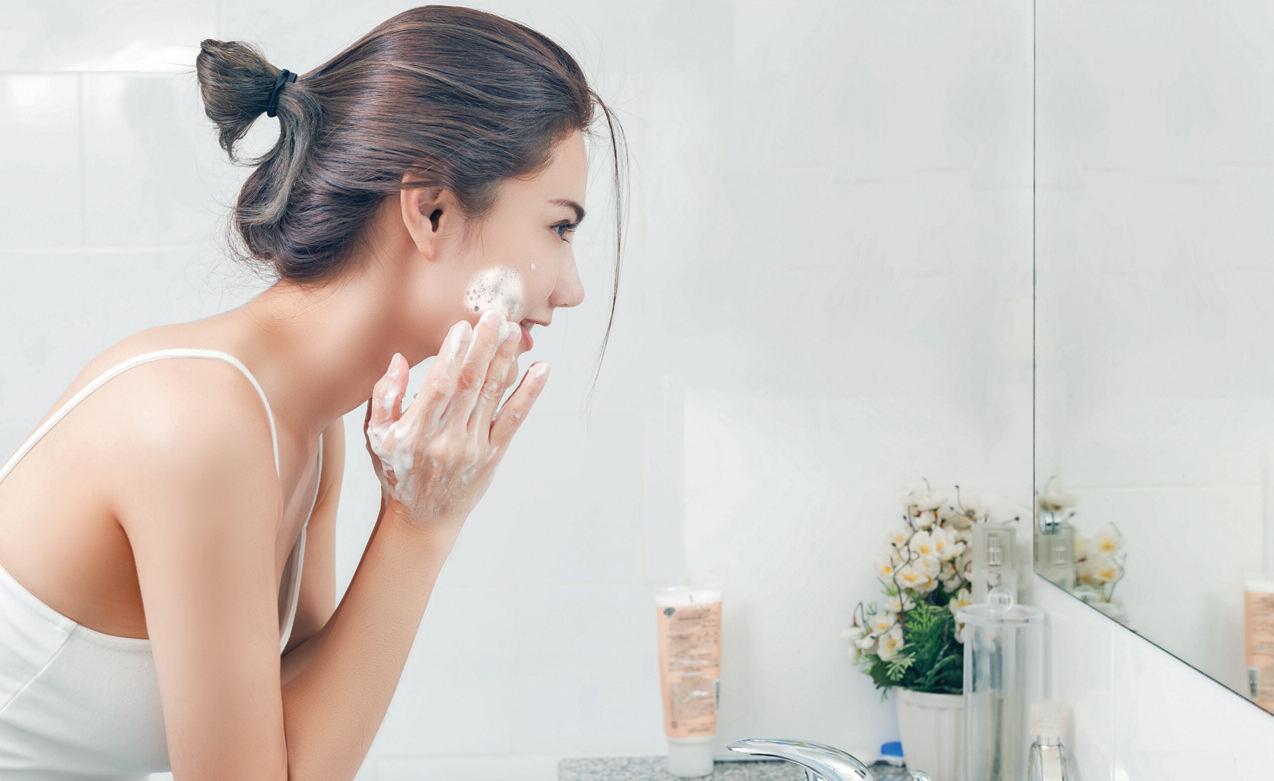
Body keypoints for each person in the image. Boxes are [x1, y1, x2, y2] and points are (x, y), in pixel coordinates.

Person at [0, 5, 628, 778]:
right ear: (430, 210)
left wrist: (424, 515)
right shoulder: (200, 423)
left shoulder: (305, 425)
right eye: (559, 227)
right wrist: (418, 525)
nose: (571, 288)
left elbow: (300, 746)